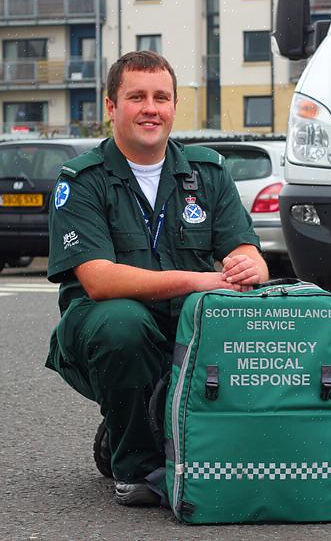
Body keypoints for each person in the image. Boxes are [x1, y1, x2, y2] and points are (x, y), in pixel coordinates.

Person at [46, 51, 269, 506]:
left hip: (181, 327)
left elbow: (243, 247)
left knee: (248, 314)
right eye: (136, 97)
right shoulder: (82, 180)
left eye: (161, 97)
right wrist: (199, 280)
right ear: (111, 107)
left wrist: (251, 264)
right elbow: (100, 281)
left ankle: (168, 431)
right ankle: (138, 470)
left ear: (173, 106)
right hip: (105, 335)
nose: (151, 108)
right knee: (123, 324)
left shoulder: (205, 172)